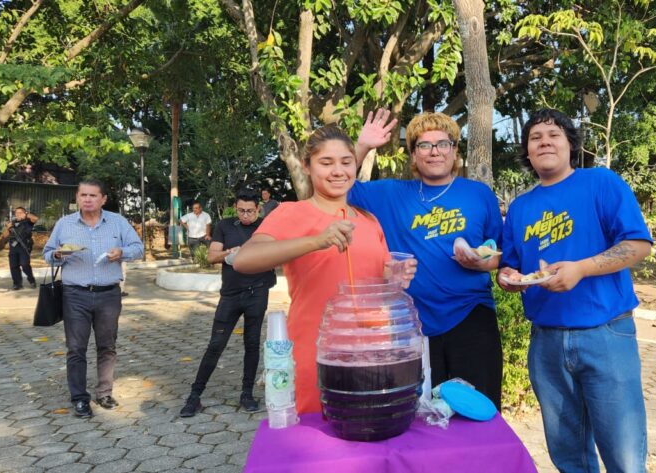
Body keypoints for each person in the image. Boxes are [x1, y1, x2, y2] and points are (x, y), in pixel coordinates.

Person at [497, 109, 653, 473]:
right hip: (546, 341)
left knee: (625, 457)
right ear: (527, 152)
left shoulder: (601, 183)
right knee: (569, 457)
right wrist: (507, 276)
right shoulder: (520, 207)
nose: (544, 141)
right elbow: (515, 266)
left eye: (554, 134)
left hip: (606, 333)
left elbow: (638, 245)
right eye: (535, 137)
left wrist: (581, 269)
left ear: (571, 145)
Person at [233, 125, 416, 414]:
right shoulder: (291, 213)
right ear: (307, 166)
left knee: (371, 432)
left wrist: (395, 275)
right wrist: (318, 240)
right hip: (315, 351)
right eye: (326, 163)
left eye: (346, 162)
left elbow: (377, 277)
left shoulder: (370, 221)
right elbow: (245, 259)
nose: (338, 171)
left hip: (371, 352)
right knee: (319, 439)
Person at [350, 110, 505, 409]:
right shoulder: (391, 193)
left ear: (455, 150)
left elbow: (500, 251)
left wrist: (482, 261)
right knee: (419, 413)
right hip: (411, 322)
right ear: (414, 154)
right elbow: (341, 187)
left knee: (479, 409)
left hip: (471, 316)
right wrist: (363, 146)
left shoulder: (478, 194)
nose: (434, 151)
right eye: (424, 145)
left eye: (443, 143)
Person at [43, 178, 144, 419]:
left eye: (93, 196)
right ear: (77, 197)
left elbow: (138, 248)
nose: (87, 199)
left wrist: (122, 252)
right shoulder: (65, 224)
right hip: (74, 294)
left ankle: (104, 392)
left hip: (108, 294)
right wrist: (58, 254)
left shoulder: (117, 222)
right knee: (76, 348)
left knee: (107, 346)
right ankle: (79, 398)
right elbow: (48, 254)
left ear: (103, 199)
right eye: (83, 195)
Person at [180, 190, 276, 417]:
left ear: (258, 209)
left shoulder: (267, 226)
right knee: (216, 344)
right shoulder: (225, 225)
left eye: (250, 211)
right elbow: (212, 257)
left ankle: (247, 394)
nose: (245, 215)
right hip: (231, 294)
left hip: (258, 292)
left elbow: (279, 254)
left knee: (252, 344)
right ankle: (195, 396)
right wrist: (228, 253)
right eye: (241, 210)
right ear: (236, 207)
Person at [6, 207, 38, 290]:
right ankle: (17, 284)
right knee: (13, 266)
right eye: (16, 212)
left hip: (24, 246)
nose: (18, 214)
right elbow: (5, 236)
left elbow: (35, 218)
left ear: (24, 213)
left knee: (24, 265)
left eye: (20, 212)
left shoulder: (28, 222)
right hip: (13, 247)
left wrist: (26, 215)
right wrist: (7, 228)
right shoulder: (12, 223)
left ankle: (31, 280)